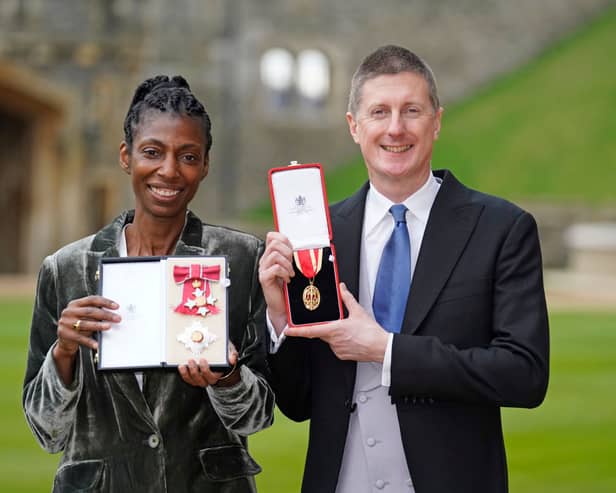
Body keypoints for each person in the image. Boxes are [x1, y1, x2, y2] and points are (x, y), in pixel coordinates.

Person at [259, 45, 549, 493]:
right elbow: (297, 403)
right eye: (379, 112)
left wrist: (386, 350)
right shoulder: (318, 233)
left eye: (411, 110)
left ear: (436, 121)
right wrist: (280, 318)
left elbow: (525, 375)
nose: (396, 128)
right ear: (355, 127)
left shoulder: (502, 229)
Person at [22, 75, 275, 492]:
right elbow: (46, 431)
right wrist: (64, 352)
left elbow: (257, 417)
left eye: (188, 156)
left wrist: (226, 378)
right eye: (152, 152)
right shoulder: (64, 269)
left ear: (206, 164)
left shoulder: (243, 259)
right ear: (127, 156)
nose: (169, 171)